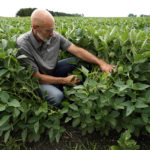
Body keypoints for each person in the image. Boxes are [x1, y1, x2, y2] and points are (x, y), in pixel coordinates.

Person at [16, 9, 115, 106]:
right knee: (57, 96)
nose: (52, 33)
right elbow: (36, 77)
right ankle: (47, 105)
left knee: (77, 61)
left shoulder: (54, 36)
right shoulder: (23, 44)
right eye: (48, 31)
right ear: (35, 27)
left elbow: (77, 50)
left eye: (53, 29)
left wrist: (101, 63)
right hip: (36, 81)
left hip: (52, 71)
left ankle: (73, 90)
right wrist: (64, 80)